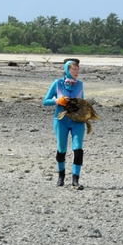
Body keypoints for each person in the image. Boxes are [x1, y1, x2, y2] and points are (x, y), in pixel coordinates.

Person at [43, 58, 86, 189]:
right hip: (61, 121)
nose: (76, 71)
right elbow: (45, 101)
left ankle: (75, 180)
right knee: (62, 150)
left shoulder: (80, 84)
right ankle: (61, 177)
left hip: (77, 121)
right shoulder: (57, 83)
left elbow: (82, 102)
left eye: (78, 69)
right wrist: (58, 101)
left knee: (78, 150)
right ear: (67, 70)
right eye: (73, 69)